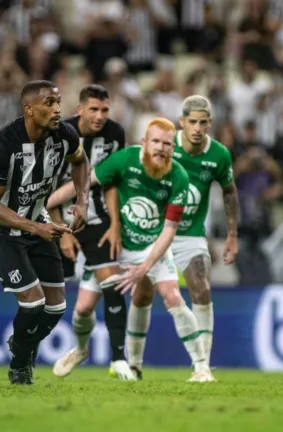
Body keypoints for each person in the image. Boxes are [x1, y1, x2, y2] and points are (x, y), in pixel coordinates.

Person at [47, 117, 215, 382]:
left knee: (172, 295)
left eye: (167, 144)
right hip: (116, 246)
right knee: (82, 309)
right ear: (144, 143)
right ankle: (80, 350)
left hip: (152, 247)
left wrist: (145, 267)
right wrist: (50, 201)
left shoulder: (179, 177)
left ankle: (201, 367)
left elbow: (170, 230)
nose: (161, 148)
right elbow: (85, 182)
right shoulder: (125, 159)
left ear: (174, 148)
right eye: (156, 142)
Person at [0, 80, 91, 385]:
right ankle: (20, 365)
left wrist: (82, 201)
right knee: (33, 302)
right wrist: (35, 227)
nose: (57, 109)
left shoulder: (64, 134)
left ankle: (22, 345)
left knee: (56, 308)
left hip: (38, 223)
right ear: (29, 109)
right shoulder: (3, 146)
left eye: (58, 102)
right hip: (1, 228)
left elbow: (81, 161)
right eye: (49, 104)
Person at [135, 94, 239, 367]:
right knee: (143, 293)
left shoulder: (219, 155)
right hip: (156, 232)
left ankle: (202, 365)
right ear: (181, 122)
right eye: (192, 122)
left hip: (191, 234)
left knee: (202, 287)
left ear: (210, 123)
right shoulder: (165, 147)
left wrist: (232, 234)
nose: (197, 128)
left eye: (203, 123)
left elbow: (229, 192)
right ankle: (134, 361)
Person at [48, 84, 136, 380]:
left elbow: (111, 180)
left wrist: (114, 224)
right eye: (94, 110)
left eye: (105, 110)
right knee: (79, 307)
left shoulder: (115, 133)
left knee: (112, 283)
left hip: (98, 218)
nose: (100, 116)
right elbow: (45, 187)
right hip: (57, 217)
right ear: (80, 110)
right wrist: (63, 232)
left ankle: (119, 359)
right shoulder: (58, 134)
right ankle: (79, 350)